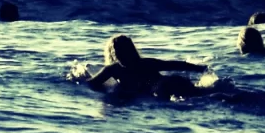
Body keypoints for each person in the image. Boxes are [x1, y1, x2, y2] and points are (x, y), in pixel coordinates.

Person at [72, 34, 209, 99]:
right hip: (162, 87)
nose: (121, 56)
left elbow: (173, 65)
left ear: (131, 52)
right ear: (113, 54)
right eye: (118, 54)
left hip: (165, 85)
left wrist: (198, 68)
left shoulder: (144, 64)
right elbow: (93, 83)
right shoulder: (114, 69)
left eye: (124, 53)